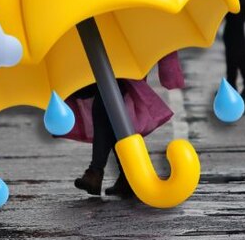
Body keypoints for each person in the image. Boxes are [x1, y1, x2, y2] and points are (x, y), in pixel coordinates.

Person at [73, 54, 184, 198]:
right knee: (110, 107)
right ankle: (124, 176)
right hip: (107, 50)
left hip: (123, 53)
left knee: (106, 104)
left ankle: (97, 172)